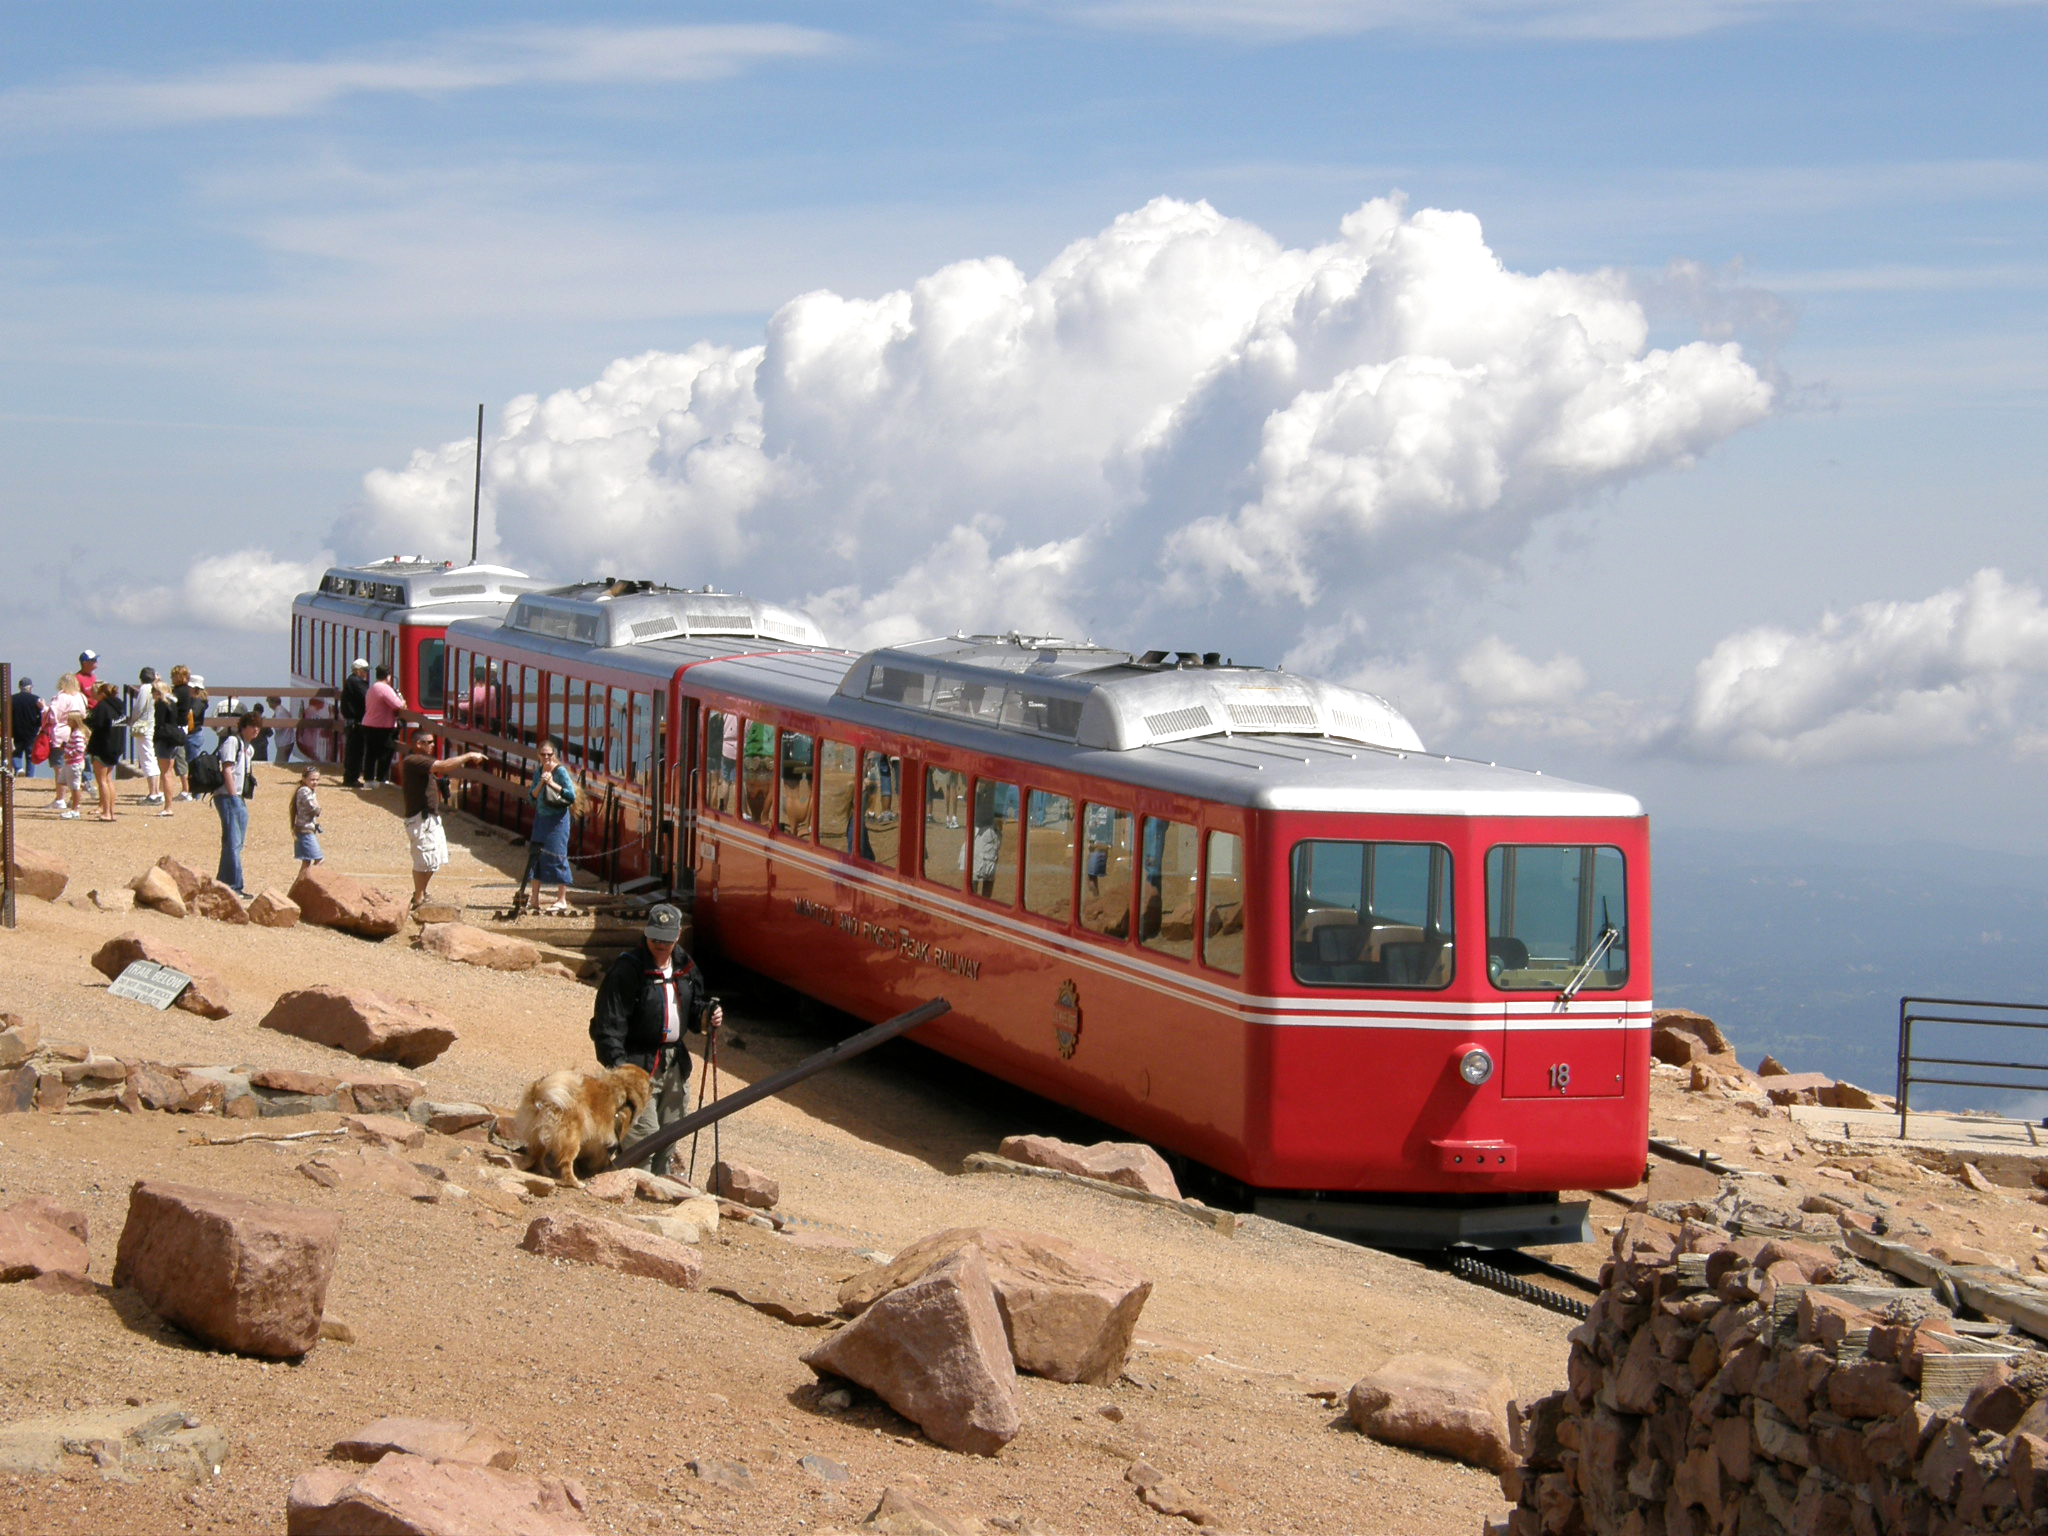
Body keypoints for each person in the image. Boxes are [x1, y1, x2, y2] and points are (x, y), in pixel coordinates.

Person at [589, 904, 722, 1180]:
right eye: (655, 938)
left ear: (677, 936)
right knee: (642, 1138)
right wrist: (619, 1067)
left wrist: (708, 1014)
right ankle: (635, 1191)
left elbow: (694, 1008)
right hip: (636, 1064)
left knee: (671, 1133)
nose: (660, 945)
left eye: (666, 939)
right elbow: (608, 1023)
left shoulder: (685, 967)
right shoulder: (628, 969)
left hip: (674, 1064)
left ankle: (661, 1191)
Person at [399, 730, 484, 909]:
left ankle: (421, 893)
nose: (432, 745)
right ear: (418, 744)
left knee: (435, 857)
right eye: (428, 742)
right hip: (420, 818)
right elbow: (444, 766)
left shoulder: (422, 763)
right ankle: (419, 896)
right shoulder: (414, 760)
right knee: (424, 857)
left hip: (429, 816)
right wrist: (468, 755)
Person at [514, 736, 577, 916]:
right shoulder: (538, 771)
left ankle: (561, 899)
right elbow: (532, 796)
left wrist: (552, 783)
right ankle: (534, 898)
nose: (547, 758)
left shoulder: (561, 772)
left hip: (558, 820)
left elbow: (570, 795)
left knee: (558, 855)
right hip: (542, 818)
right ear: (538, 755)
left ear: (554, 755)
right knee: (536, 856)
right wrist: (542, 781)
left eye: (549, 755)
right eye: (543, 755)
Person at [214, 712, 262, 896]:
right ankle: (234, 885)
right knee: (233, 842)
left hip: (237, 797)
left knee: (234, 843)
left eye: (258, 726)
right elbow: (227, 768)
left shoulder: (248, 748)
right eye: (252, 725)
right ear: (243, 727)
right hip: (228, 796)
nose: (256, 729)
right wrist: (234, 795)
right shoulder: (233, 742)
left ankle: (224, 883)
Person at [46, 672, 87, 818]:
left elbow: (53, 716)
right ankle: (72, 799)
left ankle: (60, 798)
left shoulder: (62, 697)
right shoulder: (81, 697)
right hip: (77, 729)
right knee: (74, 772)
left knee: (59, 767)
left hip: (61, 732)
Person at [84, 682, 125, 822]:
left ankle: (107, 812)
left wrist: (85, 718)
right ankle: (111, 811)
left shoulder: (102, 707)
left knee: (102, 781)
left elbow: (95, 723)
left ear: (102, 694)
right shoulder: (120, 707)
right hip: (116, 746)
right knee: (108, 780)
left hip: (103, 747)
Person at [363, 665, 406, 786]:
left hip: (368, 723)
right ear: (388, 676)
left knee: (370, 754)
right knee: (385, 753)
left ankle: (368, 779)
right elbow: (397, 705)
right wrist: (402, 701)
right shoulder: (385, 689)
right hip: (382, 726)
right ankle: (381, 779)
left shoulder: (372, 688)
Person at [127, 668, 161, 803]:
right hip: (151, 724)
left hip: (144, 726)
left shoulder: (144, 689)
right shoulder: (155, 688)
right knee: (151, 757)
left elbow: (139, 708)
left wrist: (132, 720)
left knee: (147, 759)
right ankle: (157, 791)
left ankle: (153, 793)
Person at [150, 678, 183, 813]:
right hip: (174, 738)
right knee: (168, 772)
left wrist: (155, 739)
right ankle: (169, 806)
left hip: (164, 739)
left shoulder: (161, 704)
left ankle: (168, 806)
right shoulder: (173, 703)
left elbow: (160, 724)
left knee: (165, 774)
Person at [339, 659, 371, 787]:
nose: (366, 673)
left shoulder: (351, 681)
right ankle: (351, 778)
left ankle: (351, 777)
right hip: (355, 722)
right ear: (358, 670)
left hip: (352, 721)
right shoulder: (356, 682)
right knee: (355, 751)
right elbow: (367, 695)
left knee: (353, 750)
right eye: (364, 671)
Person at [292, 767, 324, 879]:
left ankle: (299, 886)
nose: (315, 782)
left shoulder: (307, 790)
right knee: (319, 859)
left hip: (304, 829)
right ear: (304, 779)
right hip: (305, 831)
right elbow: (314, 809)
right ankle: (307, 883)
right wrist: (318, 809)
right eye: (312, 779)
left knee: (306, 862)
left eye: (317, 779)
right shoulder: (305, 791)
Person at [9, 677, 41, 778]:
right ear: (30, 688)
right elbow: (40, 716)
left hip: (16, 730)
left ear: (20, 687)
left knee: (16, 753)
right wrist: (39, 727)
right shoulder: (36, 699)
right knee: (30, 756)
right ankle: (30, 777)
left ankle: (19, 769)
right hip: (31, 732)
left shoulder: (12, 699)